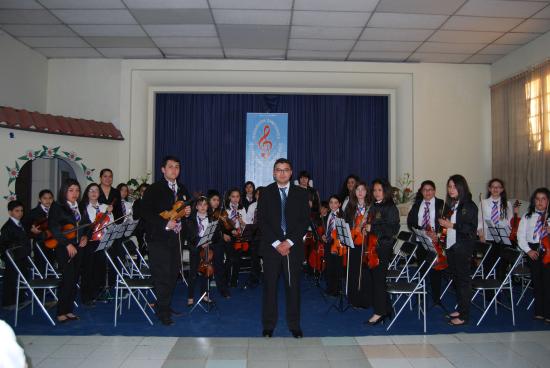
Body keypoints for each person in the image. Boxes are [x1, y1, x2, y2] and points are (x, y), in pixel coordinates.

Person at [258, 158, 310, 338]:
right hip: (271, 248)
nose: (282, 173)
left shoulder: (302, 193)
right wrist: (276, 243)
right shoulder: (265, 193)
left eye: (285, 170)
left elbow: (304, 222)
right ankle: (268, 325)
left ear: (291, 172)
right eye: (278, 170)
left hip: (292, 248)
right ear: (273, 173)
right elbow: (262, 222)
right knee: (270, 287)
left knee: (293, 287)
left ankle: (294, 324)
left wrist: (288, 242)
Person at [140, 156, 191, 326]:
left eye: (177, 167)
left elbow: (183, 212)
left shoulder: (182, 189)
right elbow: (145, 213)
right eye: (170, 167)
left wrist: (188, 212)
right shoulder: (154, 189)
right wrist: (164, 222)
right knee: (161, 275)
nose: (174, 170)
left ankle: (165, 306)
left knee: (172, 274)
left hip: (176, 239)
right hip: (158, 239)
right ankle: (163, 311)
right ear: (163, 169)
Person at [438, 174, 478, 326]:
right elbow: (450, 226)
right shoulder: (454, 204)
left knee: (463, 282)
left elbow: (470, 229)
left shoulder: (468, 205)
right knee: (456, 280)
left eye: (454, 186)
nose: (451, 189)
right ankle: (461, 309)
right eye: (449, 186)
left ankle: (464, 316)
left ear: (461, 187)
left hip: (463, 248)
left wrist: (451, 226)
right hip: (452, 246)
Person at [48, 178, 89, 323]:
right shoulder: (57, 206)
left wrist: (85, 236)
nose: (75, 193)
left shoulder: (80, 206)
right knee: (68, 279)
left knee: (75, 279)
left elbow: (86, 224)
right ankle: (61, 312)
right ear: (64, 191)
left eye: (77, 190)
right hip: (64, 247)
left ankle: (69, 310)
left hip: (79, 246)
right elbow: (54, 228)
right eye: (71, 190)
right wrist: (67, 244)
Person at [364, 179, 400, 325]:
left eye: (379, 190)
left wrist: (372, 229)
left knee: (379, 280)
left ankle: (379, 313)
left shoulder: (390, 207)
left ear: (385, 191)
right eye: (374, 190)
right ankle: (386, 309)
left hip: (383, 248)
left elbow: (392, 230)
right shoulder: (374, 206)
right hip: (373, 247)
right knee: (376, 280)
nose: (376, 193)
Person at [407, 180, 445, 306]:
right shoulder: (417, 204)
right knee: (422, 269)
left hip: (435, 242)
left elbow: (445, 223)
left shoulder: (441, 204)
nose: (427, 192)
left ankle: (436, 298)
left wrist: (437, 234)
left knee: (436, 271)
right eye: (425, 190)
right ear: (421, 191)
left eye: (430, 189)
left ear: (434, 191)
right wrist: (422, 230)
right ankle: (421, 295)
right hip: (421, 241)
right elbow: (410, 222)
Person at [517, 187, 550, 323]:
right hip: (533, 250)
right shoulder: (527, 216)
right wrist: (528, 250)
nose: (540, 202)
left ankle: (548, 313)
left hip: (548, 251)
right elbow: (520, 236)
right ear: (533, 201)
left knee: (548, 283)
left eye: (543, 199)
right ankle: (539, 311)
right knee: (536, 282)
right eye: (537, 199)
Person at [79, 183, 114, 306]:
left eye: (96, 191)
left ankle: (96, 293)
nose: (94, 193)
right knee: (88, 269)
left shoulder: (105, 207)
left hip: (102, 241)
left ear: (99, 193)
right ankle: (86, 296)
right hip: (89, 242)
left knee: (100, 269)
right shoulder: (82, 208)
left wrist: (109, 214)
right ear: (87, 193)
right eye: (91, 190)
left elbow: (111, 224)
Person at [344, 181, 371, 308]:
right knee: (354, 270)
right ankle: (353, 298)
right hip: (353, 244)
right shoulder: (350, 207)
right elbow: (345, 224)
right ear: (354, 192)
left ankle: (365, 299)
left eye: (363, 189)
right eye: (358, 189)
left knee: (365, 271)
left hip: (367, 245)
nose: (360, 192)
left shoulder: (371, 207)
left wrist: (368, 228)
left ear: (366, 192)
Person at [0, 201, 31, 309]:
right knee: (11, 280)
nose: (20, 213)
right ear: (10, 212)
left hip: (22, 256)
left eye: (21, 211)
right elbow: (4, 245)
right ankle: (9, 303)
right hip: (13, 258)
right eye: (17, 211)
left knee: (22, 277)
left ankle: (20, 300)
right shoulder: (7, 227)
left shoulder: (20, 224)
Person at [23, 189, 55, 275]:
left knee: (51, 267)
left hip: (54, 243)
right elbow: (25, 227)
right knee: (41, 268)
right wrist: (32, 231)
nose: (48, 200)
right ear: (39, 199)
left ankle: (51, 287)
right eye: (45, 198)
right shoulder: (33, 213)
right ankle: (40, 287)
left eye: (50, 198)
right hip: (40, 244)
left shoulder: (56, 211)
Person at [323, 195, 344, 296]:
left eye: (336, 202)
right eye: (331, 202)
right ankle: (330, 288)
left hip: (337, 244)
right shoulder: (328, 215)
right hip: (328, 243)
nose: (333, 204)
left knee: (337, 267)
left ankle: (337, 289)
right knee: (329, 266)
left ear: (339, 204)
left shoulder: (342, 216)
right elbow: (327, 228)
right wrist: (324, 235)